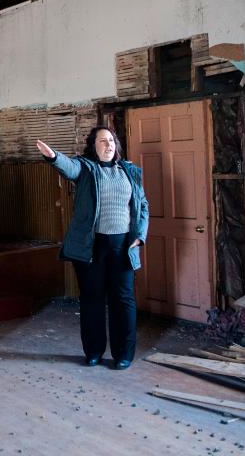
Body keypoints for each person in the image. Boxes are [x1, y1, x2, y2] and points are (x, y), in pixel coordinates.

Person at [37, 126, 148, 370]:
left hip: (123, 247)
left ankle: (123, 354)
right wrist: (53, 156)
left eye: (111, 140)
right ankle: (94, 351)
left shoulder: (130, 172)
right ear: (93, 146)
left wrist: (140, 236)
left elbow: (142, 206)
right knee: (92, 299)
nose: (108, 145)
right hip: (91, 247)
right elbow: (68, 167)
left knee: (124, 300)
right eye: (102, 141)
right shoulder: (87, 169)